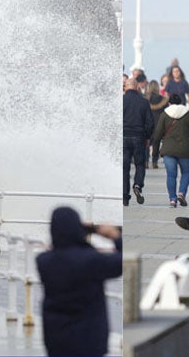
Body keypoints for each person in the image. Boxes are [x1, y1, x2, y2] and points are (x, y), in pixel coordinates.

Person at [36, 207, 121, 357]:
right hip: (89, 341)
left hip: (56, 340)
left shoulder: (43, 261)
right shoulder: (91, 260)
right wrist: (113, 235)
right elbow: (123, 263)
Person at [152, 94, 189, 208]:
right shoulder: (188, 114)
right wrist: (188, 133)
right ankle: (181, 193)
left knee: (171, 175)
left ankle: (172, 200)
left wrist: (155, 154)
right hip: (184, 149)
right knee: (186, 173)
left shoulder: (165, 114)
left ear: (169, 103)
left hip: (168, 150)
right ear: (181, 102)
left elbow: (157, 135)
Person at [123, 78, 154, 206]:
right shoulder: (144, 102)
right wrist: (147, 137)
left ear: (125, 87)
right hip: (139, 137)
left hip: (123, 137)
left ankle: (125, 196)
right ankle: (138, 184)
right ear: (137, 87)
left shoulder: (121, 101)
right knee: (140, 164)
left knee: (124, 168)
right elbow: (150, 123)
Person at [145, 80, 168, 169]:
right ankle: (154, 162)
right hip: (159, 123)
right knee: (156, 144)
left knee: (146, 144)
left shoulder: (145, 99)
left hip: (147, 123)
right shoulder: (163, 100)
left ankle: (146, 161)